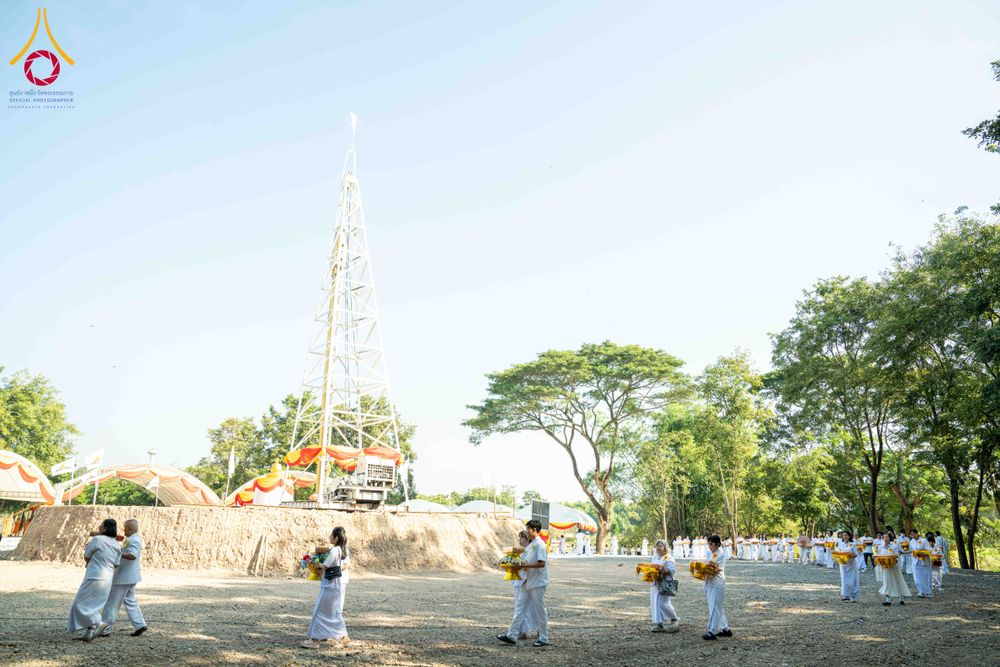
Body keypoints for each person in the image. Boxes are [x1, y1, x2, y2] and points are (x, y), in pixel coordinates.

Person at [68, 519, 121, 642]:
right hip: (107, 578)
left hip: (94, 575)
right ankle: (90, 631)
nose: (99, 527)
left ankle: (98, 623)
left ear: (105, 528)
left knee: (79, 604)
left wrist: (91, 563)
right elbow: (116, 564)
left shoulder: (98, 539)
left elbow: (87, 555)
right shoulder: (117, 545)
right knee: (94, 604)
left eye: (101, 526)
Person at [498, 519, 549, 647]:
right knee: (519, 609)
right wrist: (515, 566)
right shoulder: (531, 546)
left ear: (534, 530)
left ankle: (544, 638)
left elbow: (541, 563)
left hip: (537, 583)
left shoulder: (540, 544)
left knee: (540, 610)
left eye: (528, 529)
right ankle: (511, 635)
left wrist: (523, 565)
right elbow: (525, 564)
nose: (526, 531)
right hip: (526, 582)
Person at [301, 526, 349, 648]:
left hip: (329, 586)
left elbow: (325, 566)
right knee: (334, 613)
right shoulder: (340, 550)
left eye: (331, 536)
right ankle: (343, 636)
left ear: (336, 538)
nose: (329, 537)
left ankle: (315, 640)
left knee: (319, 611)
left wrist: (313, 563)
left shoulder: (334, 550)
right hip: (335, 586)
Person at [99, 518, 147, 637]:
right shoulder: (131, 539)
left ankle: (105, 628)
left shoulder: (134, 540)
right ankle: (140, 624)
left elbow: (132, 555)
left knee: (112, 602)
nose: (123, 530)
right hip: (129, 576)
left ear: (130, 529)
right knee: (130, 601)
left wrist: (117, 551)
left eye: (125, 528)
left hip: (123, 577)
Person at [701, 535, 731, 640]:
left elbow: (716, 569)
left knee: (715, 607)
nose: (710, 546)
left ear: (718, 544)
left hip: (717, 583)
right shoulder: (709, 553)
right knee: (716, 606)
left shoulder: (721, 555)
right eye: (708, 543)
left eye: (711, 544)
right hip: (708, 582)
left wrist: (708, 569)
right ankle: (725, 628)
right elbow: (706, 564)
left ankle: (712, 631)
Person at [510, 531, 538, 640]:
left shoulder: (532, 550)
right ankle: (524, 630)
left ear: (527, 538)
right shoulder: (523, 551)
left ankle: (525, 630)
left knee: (526, 607)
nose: (519, 540)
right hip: (519, 580)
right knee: (524, 607)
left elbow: (529, 566)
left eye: (521, 538)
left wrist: (518, 565)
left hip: (525, 581)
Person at [648, 539, 680, 633]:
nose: (658, 547)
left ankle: (674, 618)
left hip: (665, 583)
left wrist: (662, 569)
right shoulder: (654, 557)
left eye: (660, 546)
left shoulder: (668, 558)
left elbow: (672, 570)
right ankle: (660, 624)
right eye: (657, 546)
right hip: (655, 583)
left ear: (665, 548)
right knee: (656, 604)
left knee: (663, 603)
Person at [877, 537, 910, 606]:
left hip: (893, 567)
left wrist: (893, 560)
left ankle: (901, 599)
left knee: (897, 581)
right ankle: (888, 601)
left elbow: (897, 556)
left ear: (889, 539)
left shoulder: (893, 546)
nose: (886, 539)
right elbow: (878, 556)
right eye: (884, 537)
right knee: (886, 582)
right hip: (885, 568)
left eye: (887, 537)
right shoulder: (881, 547)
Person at [837, 530, 861, 603]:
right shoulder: (840, 543)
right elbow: (838, 552)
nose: (845, 537)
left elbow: (856, 554)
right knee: (844, 579)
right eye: (843, 535)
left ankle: (854, 596)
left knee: (853, 580)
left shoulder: (853, 544)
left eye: (846, 535)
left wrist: (849, 555)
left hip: (851, 564)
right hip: (843, 564)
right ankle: (845, 595)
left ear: (849, 536)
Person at [911, 531, 934, 598]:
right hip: (915, 562)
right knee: (917, 579)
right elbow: (911, 550)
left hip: (924, 562)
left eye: (914, 534)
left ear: (917, 533)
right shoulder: (911, 542)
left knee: (926, 577)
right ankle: (921, 591)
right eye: (912, 534)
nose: (913, 535)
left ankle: (928, 592)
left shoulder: (924, 540)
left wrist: (921, 552)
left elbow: (929, 550)